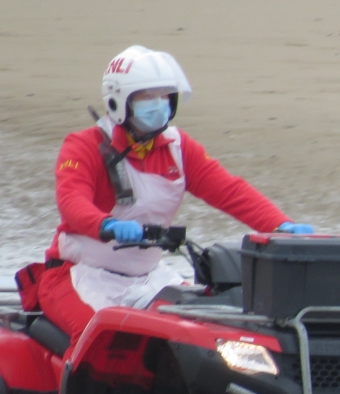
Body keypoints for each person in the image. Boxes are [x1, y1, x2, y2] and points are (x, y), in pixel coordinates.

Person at [36, 45, 314, 345]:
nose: (158, 105)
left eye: (164, 96)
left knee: (204, 336)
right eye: (147, 97)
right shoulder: (83, 146)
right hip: (80, 276)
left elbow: (230, 191)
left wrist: (280, 226)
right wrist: (107, 226)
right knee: (101, 342)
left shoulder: (178, 148)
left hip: (151, 277)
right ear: (118, 102)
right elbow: (71, 203)